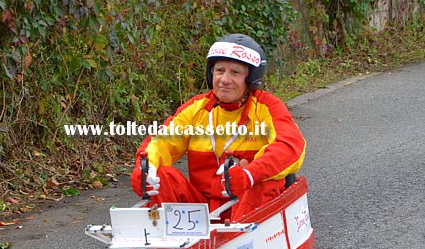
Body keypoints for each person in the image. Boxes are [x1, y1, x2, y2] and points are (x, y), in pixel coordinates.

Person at [131, 33, 306, 221]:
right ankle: (168, 239)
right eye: (219, 70)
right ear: (210, 73)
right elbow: (161, 142)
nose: (224, 79)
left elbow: (290, 147)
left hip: (247, 204)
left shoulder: (268, 106)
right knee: (162, 176)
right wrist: (146, 168)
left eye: (235, 72)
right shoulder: (196, 108)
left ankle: (240, 241)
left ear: (251, 79)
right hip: (203, 209)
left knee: (263, 181)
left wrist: (248, 174)